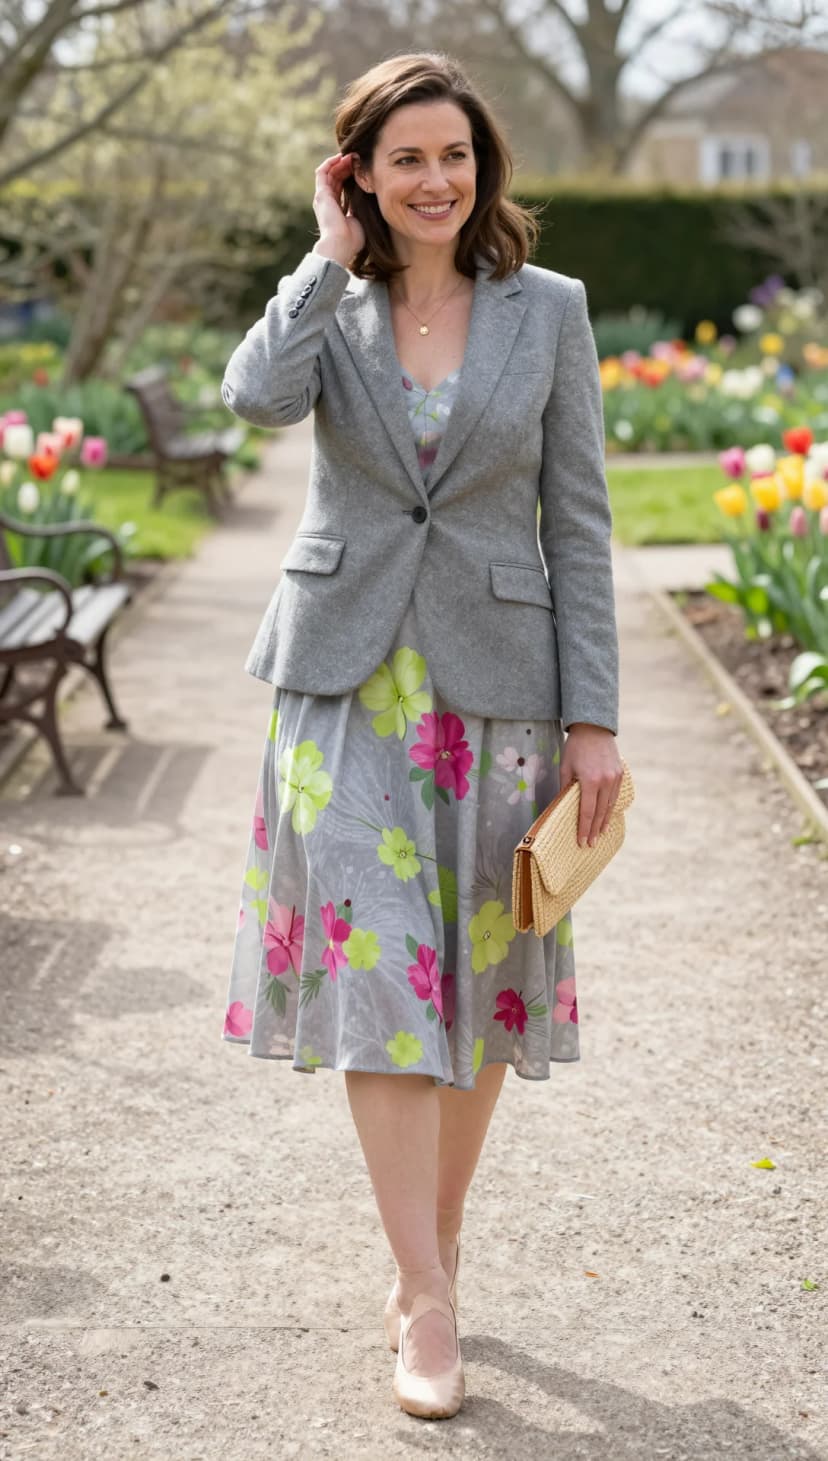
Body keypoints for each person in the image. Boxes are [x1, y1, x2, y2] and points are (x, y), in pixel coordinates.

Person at [220, 50, 623, 1420]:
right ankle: (429, 1294)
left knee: (482, 987)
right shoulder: (333, 304)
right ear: (362, 176)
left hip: (499, 691)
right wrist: (322, 260)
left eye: (453, 155)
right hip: (345, 690)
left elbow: (579, 522)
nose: (435, 180)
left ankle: (426, 1247)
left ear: (481, 166)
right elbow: (252, 399)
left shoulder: (549, 312)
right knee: (385, 979)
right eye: (404, 160)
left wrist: (595, 721)